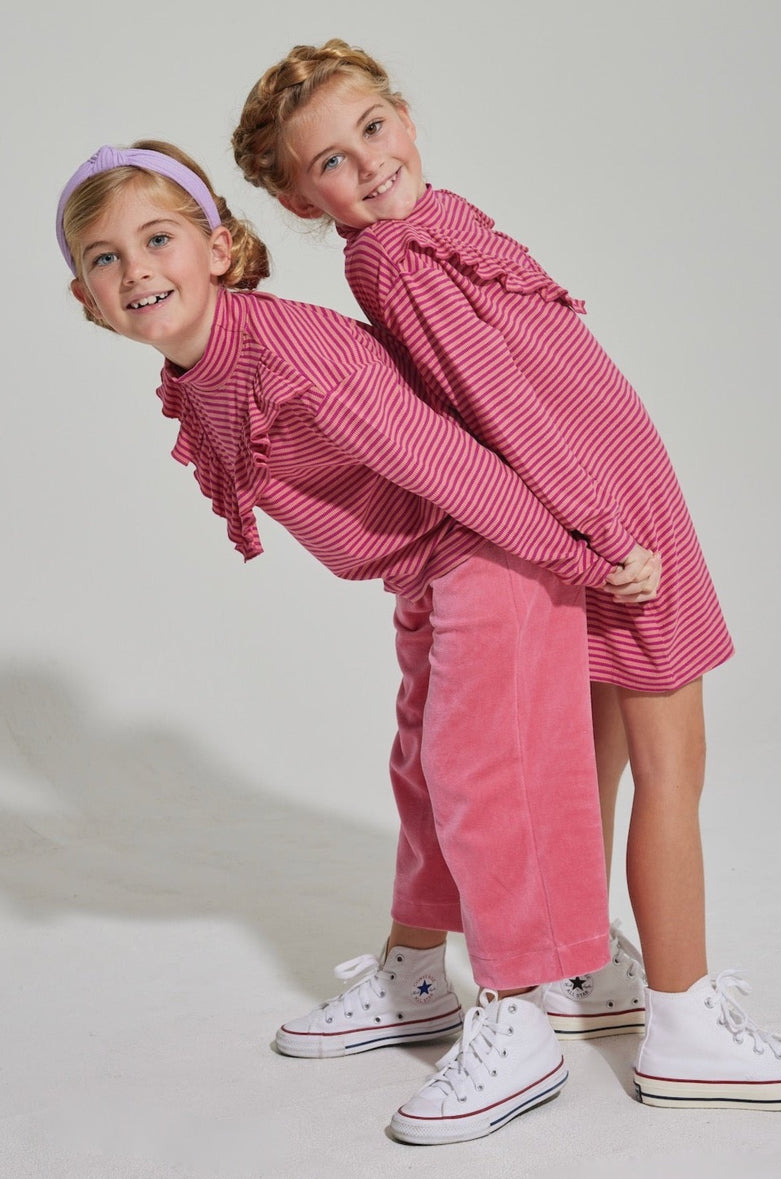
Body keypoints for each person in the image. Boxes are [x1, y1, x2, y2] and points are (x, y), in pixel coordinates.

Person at [230, 38, 781, 1123]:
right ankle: (685, 1022)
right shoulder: (397, 259)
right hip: (611, 526)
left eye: (374, 129)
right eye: (332, 163)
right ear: (297, 196)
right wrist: (600, 530)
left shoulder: (428, 228)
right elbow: (500, 406)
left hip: (616, 503)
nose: (370, 165)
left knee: (602, 753)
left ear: (406, 114)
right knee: (675, 768)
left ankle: (583, 969)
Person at [56, 140, 670, 1146]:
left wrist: (584, 552)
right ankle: (416, 973)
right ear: (81, 296)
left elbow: (449, 464)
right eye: (105, 258)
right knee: (425, 770)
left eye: (157, 240)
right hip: (430, 565)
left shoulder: (284, 355)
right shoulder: (206, 363)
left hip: (495, 547)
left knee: (485, 773)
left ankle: (519, 1013)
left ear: (218, 247)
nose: (136, 272)